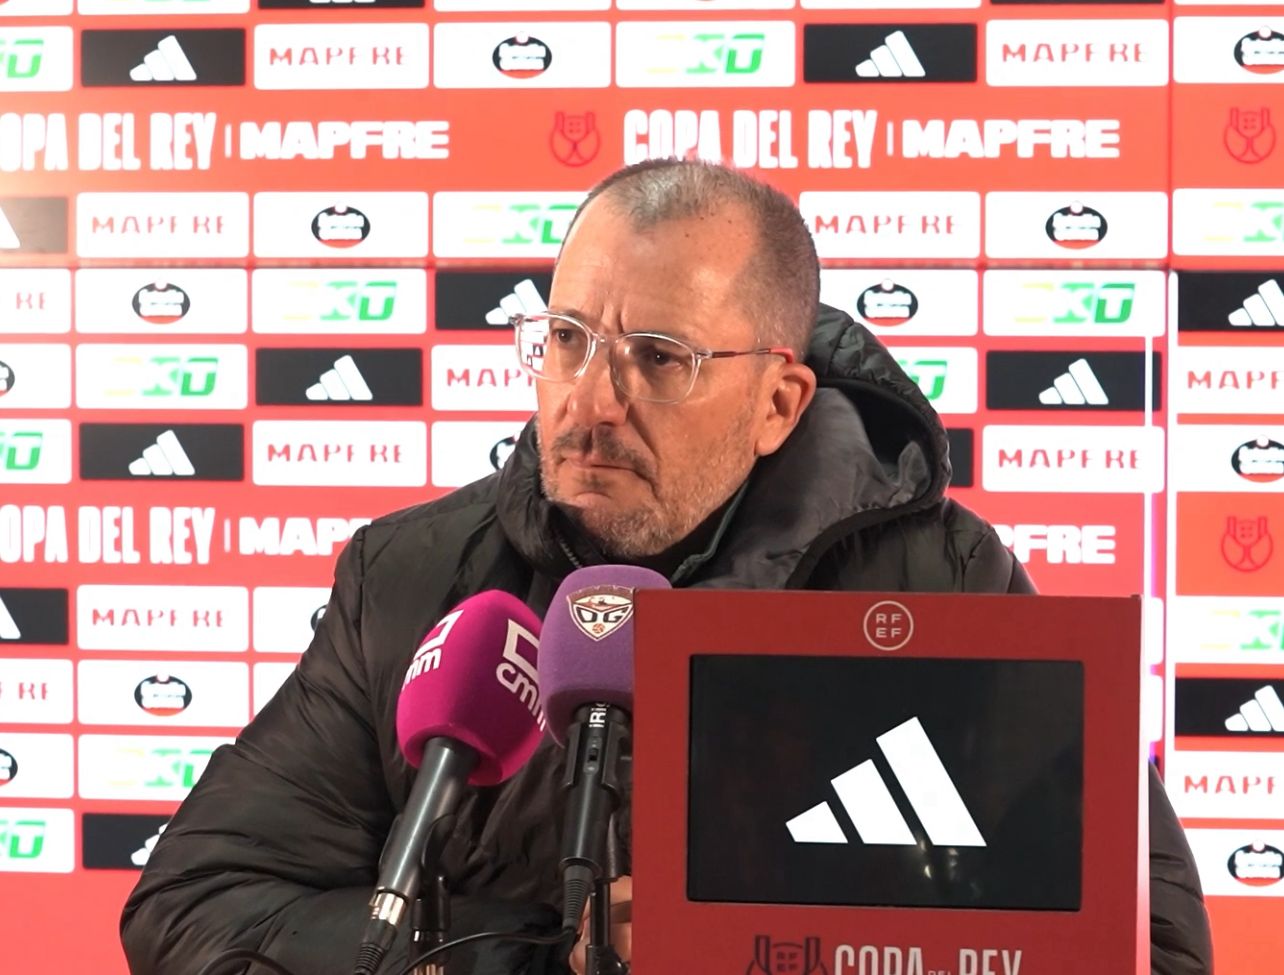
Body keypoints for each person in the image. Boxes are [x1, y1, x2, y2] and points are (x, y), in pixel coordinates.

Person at [121, 160, 1212, 975]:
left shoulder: (939, 585)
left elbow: (1150, 945)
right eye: (567, 339)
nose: (590, 403)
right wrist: (536, 958)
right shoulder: (416, 578)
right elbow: (194, 902)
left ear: (778, 401)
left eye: (658, 358)